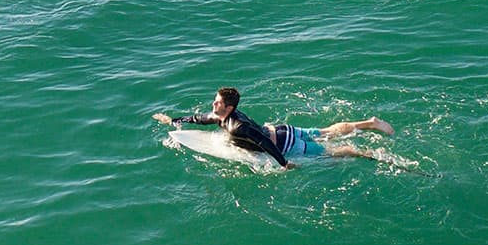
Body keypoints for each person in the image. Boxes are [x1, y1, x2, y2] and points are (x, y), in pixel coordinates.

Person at [152, 87, 395, 167]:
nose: (213, 104)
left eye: (217, 102)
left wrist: (283, 163)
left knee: (334, 151)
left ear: (227, 107)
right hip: (283, 130)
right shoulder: (225, 116)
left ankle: (367, 153)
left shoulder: (236, 127)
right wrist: (173, 121)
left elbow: (263, 143)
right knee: (325, 132)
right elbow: (199, 118)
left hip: (287, 144)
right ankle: (370, 124)